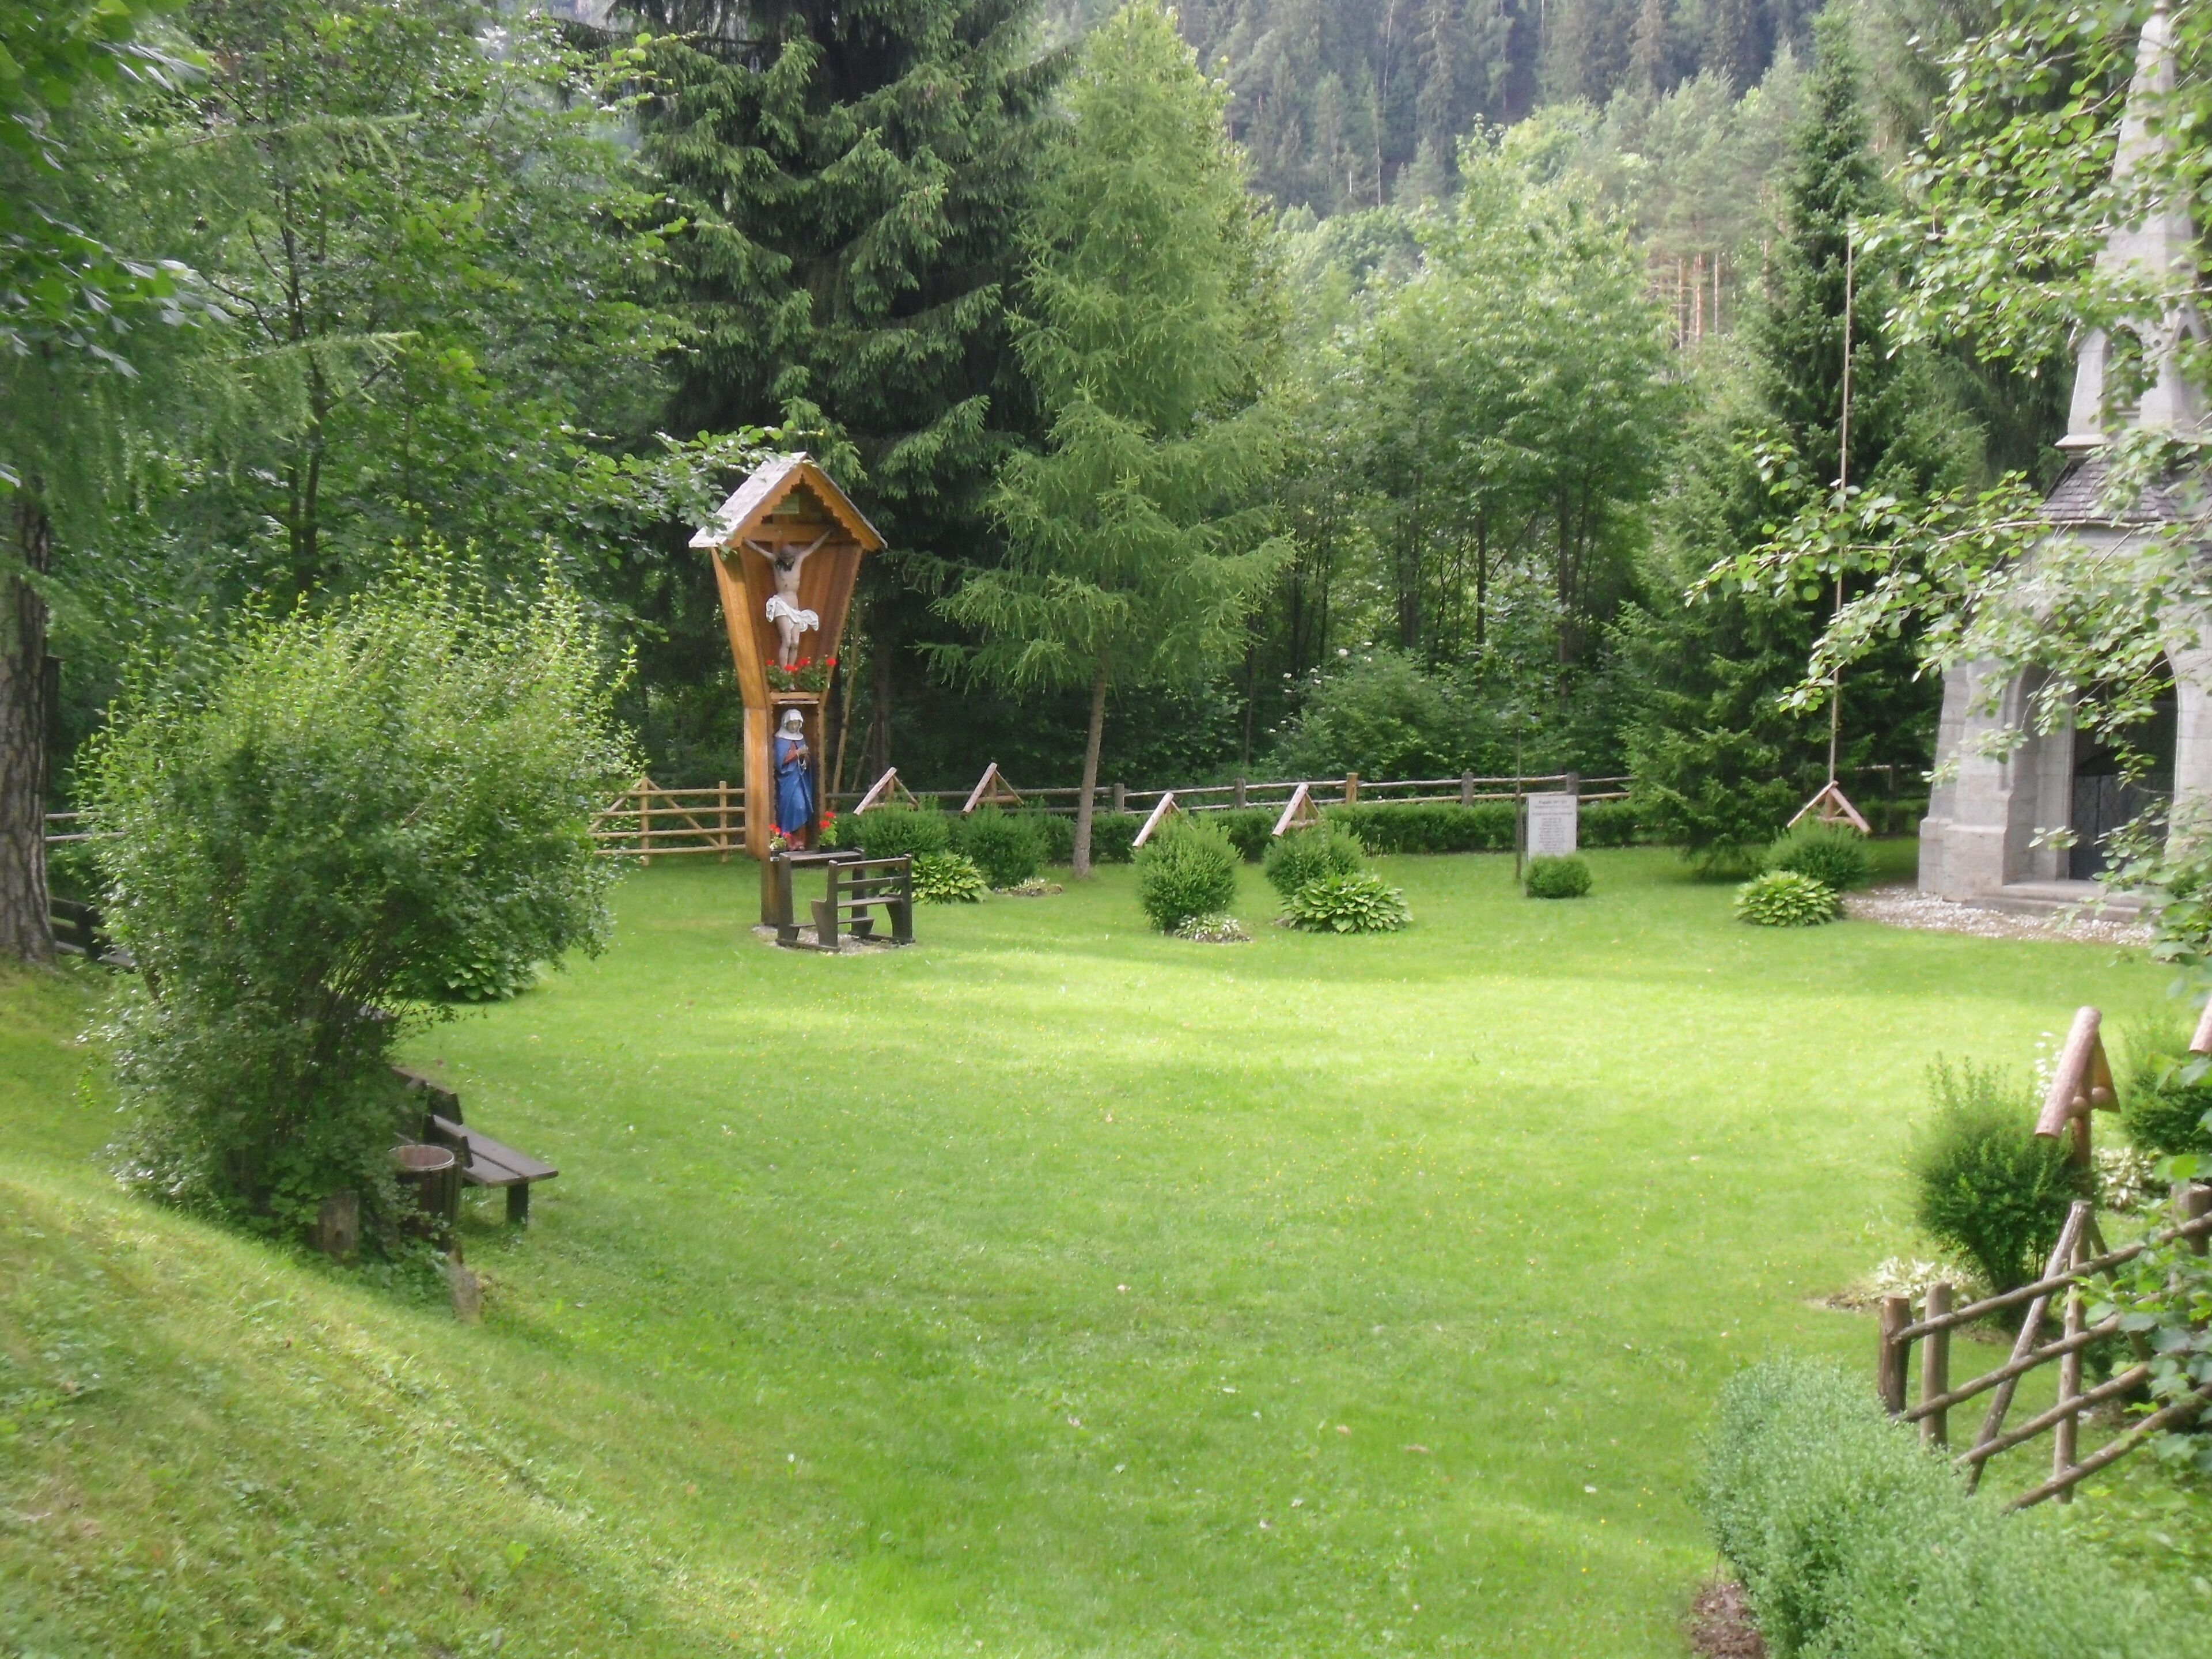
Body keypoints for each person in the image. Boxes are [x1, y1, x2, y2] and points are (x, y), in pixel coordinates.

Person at [774, 709, 815, 843]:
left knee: (801, 807)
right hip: (787, 780)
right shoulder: (780, 739)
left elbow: (807, 759)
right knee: (790, 809)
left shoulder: (800, 738)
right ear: (786, 724)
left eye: (797, 724)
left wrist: (804, 760)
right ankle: (788, 841)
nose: (795, 727)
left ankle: (800, 841)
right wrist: (797, 753)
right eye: (792, 724)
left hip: (800, 779)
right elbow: (779, 762)